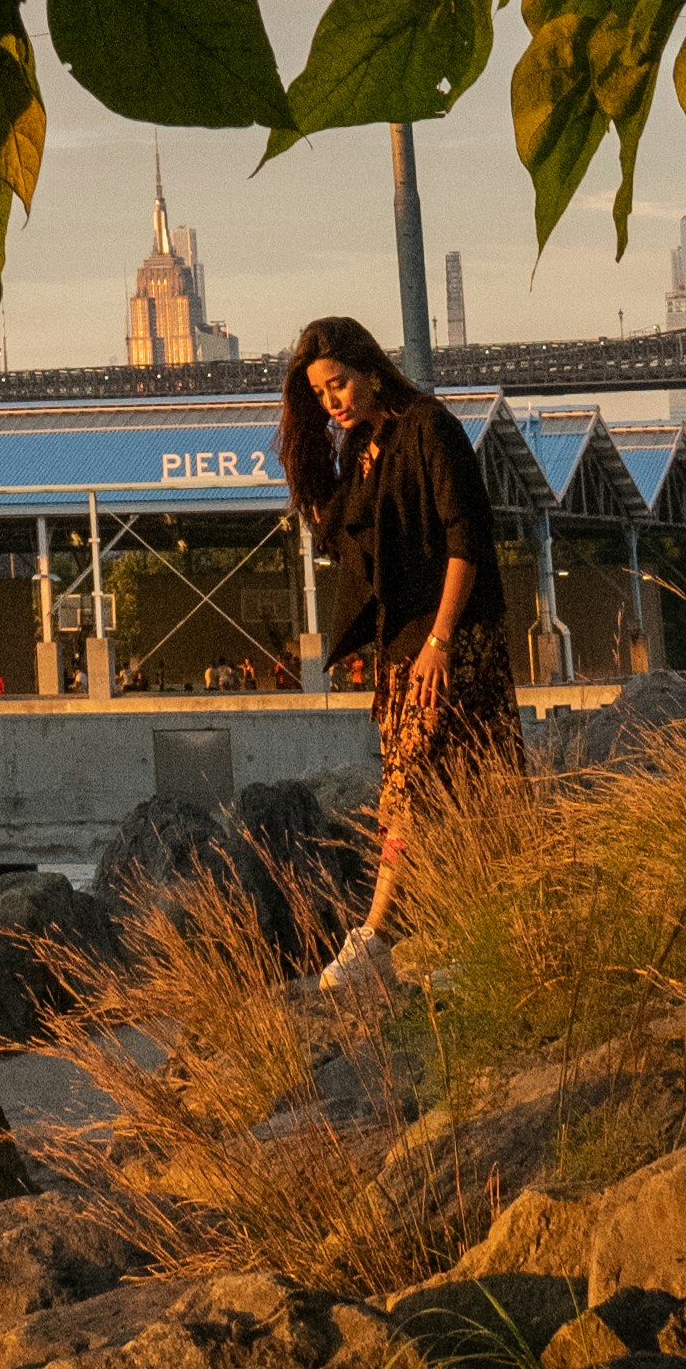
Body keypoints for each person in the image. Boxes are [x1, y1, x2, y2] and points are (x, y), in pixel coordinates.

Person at [282, 312, 522, 944]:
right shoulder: (361, 449)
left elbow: (466, 539)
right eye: (317, 393)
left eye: (337, 384)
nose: (330, 401)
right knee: (467, 784)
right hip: (402, 645)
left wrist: (442, 642)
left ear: (371, 369)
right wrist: (307, 458)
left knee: (413, 785)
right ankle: (482, 927)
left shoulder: (428, 428)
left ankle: (376, 931)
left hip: (454, 638)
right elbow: (349, 540)